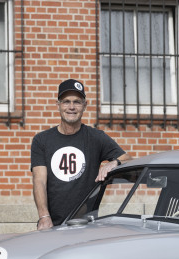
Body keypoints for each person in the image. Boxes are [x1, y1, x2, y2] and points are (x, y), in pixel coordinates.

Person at [31, 79, 131, 230]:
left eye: (77, 102)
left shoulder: (96, 137)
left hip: (87, 226)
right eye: (66, 102)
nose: (71, 107)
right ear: (58, 105)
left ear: (85, 106)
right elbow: (39, 181)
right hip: (52, 225)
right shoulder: (42, 140)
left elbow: (127, 159)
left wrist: (114, 162)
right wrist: (44, 217)